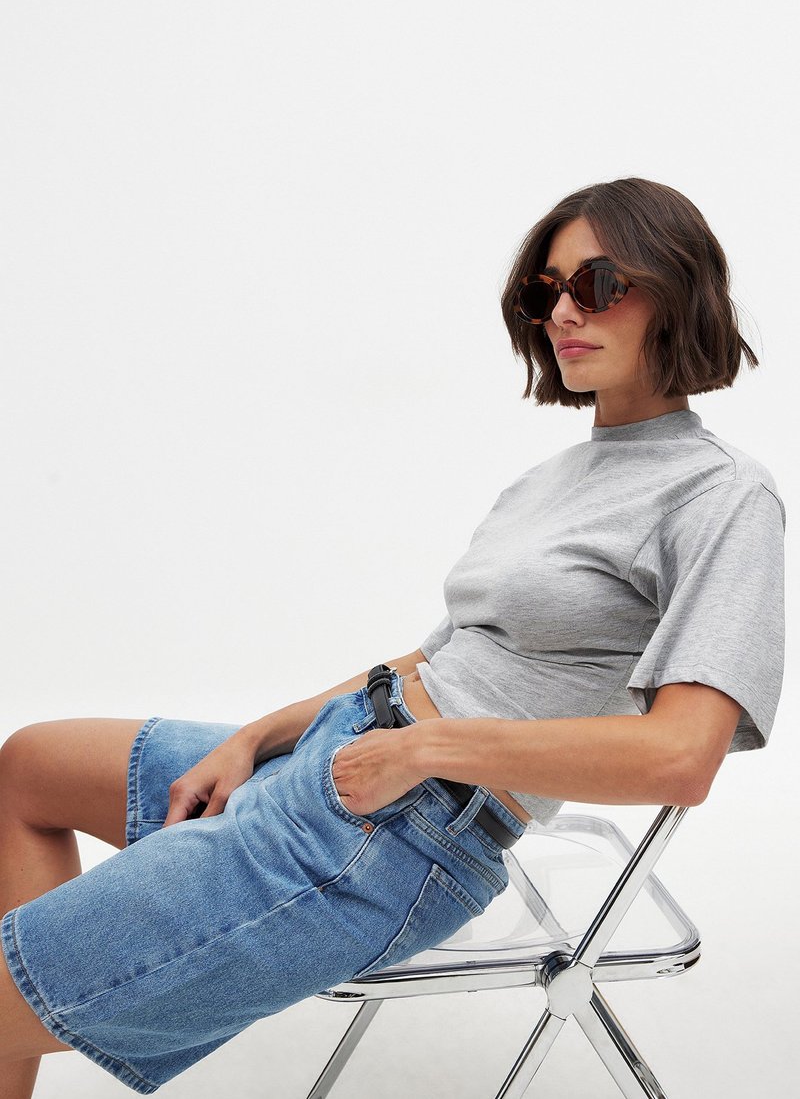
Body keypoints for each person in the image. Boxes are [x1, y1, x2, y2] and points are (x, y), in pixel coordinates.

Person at [0, 176, 786, 1097]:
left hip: (398, 832)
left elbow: (681, 757)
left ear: (678, 288)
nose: (563, 313)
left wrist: (424, 750)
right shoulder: (548, 482)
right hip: (348, 755)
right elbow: (431, 660)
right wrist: (256, 736)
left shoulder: (721, 494)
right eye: (545, 291)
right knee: (32, 765)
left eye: (598, 283)